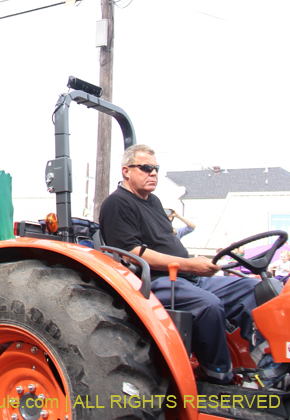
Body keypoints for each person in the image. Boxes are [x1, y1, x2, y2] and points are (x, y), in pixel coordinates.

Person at [100, 144, 263, 384]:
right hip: (155, 281)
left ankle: (265, 362)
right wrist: (188, 265)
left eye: (155, 168)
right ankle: (216, 372)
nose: (153, 173)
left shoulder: (154, 202)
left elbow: (167, 241)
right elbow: (133, 252)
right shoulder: (117, 204)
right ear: (126, 171)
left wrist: (197, 263)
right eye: (146, 168)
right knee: (208, 305)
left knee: (253, 289)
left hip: (186, 276)